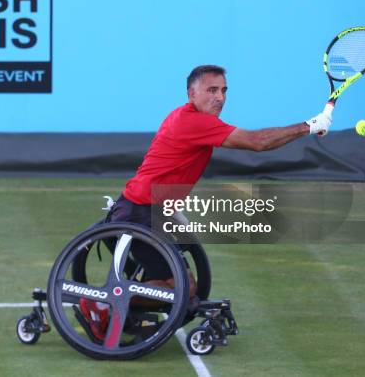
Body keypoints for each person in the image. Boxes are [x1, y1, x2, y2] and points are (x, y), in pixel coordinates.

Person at [79, 64, 332, 340]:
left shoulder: (188, 117)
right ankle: (102, 304)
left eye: (223, 91)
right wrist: (309, 126)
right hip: (138, 215)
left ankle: (116, 306)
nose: (220, 97)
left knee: (185, 287)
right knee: (183, 290)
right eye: (212, 90)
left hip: (150, 212)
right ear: (192, 94)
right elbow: (258, 142)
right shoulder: (194, 121)